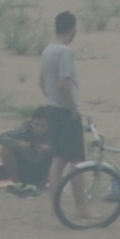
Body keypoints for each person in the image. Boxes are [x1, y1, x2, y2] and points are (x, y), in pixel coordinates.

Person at [37, 11, 85, 164]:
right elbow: (63, 84)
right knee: (76, 159)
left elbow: (41, 82)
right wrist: (73, 110)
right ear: (72, 28)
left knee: (58, 158)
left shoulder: (47, 50)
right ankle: (78, 189)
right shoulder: (65, 52)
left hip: (52, 109)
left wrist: (52, 98)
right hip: (65, 112)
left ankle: (55, 189)